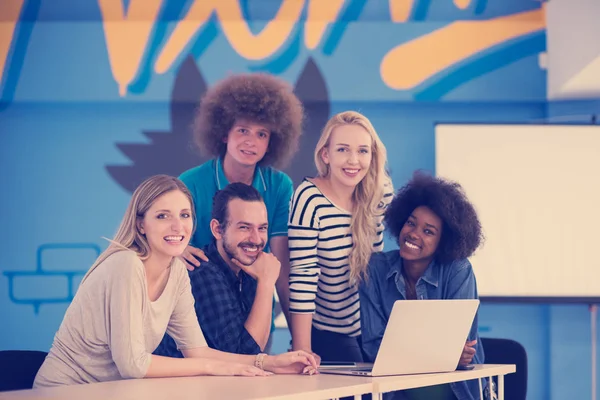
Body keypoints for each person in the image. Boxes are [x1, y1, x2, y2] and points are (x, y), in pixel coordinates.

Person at [33, 175, 318, 388]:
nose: (177, 227)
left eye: (184, 216)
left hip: (111, 392)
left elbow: (197, 350)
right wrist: (212, 368)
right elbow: (133, 364)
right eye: (162, 216)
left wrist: (269, 362)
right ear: (141, 224)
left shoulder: (178, 272)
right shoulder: (125, 264)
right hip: (67, 391)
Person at [170, 73, 304, 352]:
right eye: (242, 130)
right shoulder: (191, 183)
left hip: (254, 296)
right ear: (223, 132)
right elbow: (159, 236)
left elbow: (280, 267)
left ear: (272, 142)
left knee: (255, 367)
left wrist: (299, 342)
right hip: (201, 304)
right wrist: (174, 250)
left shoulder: (279, 185)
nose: (251, 141)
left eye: (262, 134)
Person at [359, 171, 486, 400]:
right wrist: (438, 354)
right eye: (411, 223)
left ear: (443, 242)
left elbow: (458, 349)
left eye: (428, 231)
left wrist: (403, 353)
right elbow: (373, 347)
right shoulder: (375, 269)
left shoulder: (458, 270)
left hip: (451, 388)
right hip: (392, 389)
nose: (414, 234)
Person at [288, 111, 393, 361]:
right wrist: (302, 350)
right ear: (326, 155)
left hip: (370, 326)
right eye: (343, 150)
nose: (353, 160)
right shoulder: (308, 199)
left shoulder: (382, 192)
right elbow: (303, 277)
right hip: (327, 330)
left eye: (363, 151)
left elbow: (384, 264)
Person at [159, 183, 281, 356]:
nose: (256, 239)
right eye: (244, 227)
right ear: (217, 230)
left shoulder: (251, 268)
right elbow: (243, 354)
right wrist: (267, 284)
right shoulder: (201, 272)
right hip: (173, 383)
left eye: (262, 228)